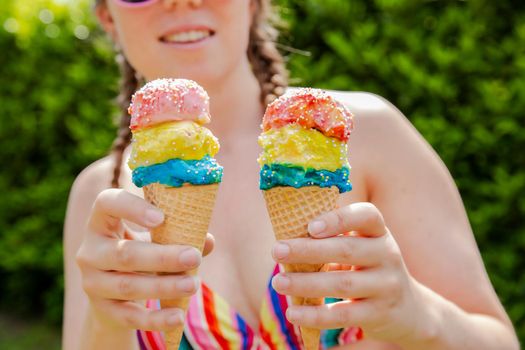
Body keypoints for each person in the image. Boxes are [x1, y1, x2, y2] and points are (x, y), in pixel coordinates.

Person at [62, 0, 519, 349]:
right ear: (106, 15)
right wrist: (106, 322)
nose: (181, 2)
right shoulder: (98, 196)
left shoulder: (368, 135)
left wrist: (419, 315)